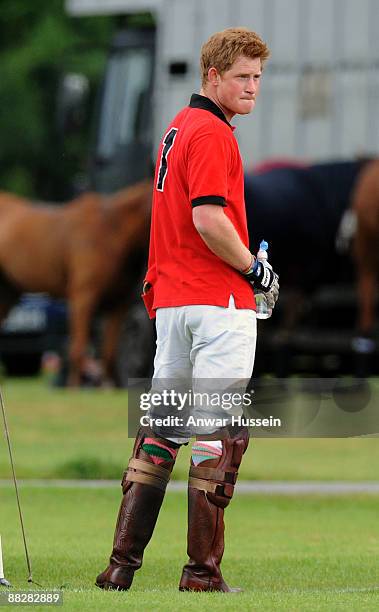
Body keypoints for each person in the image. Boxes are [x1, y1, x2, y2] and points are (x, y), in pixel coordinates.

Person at [96, 27, 279, 593]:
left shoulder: (177, 127)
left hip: (172, 303)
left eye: (256, 78)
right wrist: (255, 270)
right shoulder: (213, 134)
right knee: (217, 437)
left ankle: (120, 567)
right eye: (241, 77)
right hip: (217, 302)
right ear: (211, 77)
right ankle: (202, 575)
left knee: (160, 432)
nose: (251, 88)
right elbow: (207, 218)